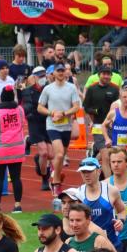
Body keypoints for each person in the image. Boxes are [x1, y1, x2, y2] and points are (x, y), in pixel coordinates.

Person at [37, 63, 81, 196]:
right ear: (53, 73)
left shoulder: (71, 88)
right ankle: (56, 183)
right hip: (52, 126)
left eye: (63, 70)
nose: (61, 73)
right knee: (60, 154)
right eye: (58, 71)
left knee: (60, 157)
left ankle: (55, 171)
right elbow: (40, 107)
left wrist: (64, 113)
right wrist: (51, 113)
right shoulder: (48, 89)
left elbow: (76, 107)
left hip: (66, 126)